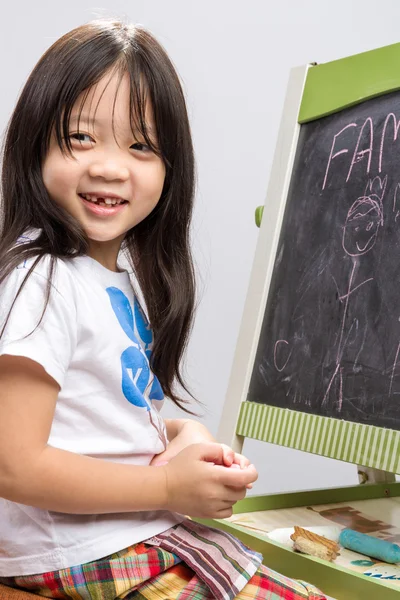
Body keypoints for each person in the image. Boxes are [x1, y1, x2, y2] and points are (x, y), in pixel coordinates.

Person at [0, 19, 326, 599]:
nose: (109, 166)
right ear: (33, 145)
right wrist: (168, 487)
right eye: (80, 137)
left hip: (117, 540)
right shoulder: (40, 278)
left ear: (170, 168)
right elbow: (15, 465)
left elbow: (94, 419)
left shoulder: (103, 279)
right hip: (83, 552)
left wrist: (181, 435)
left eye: (141, 145)